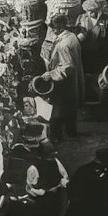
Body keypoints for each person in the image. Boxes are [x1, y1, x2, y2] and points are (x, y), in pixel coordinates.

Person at [42, 13, 84, 141]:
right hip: (74, 78)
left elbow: (67, 66)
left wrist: (50, 74)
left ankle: (56, 136)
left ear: (59, 28)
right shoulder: (72, 36)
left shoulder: (63, 45)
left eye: (53, 29)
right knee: (71, 107)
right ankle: (71, 132)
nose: (52, 31)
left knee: (57, 109)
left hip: (65, 81)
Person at [75, 0, 108, 102]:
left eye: (92, 11)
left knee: (101, 79)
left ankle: (102, 101)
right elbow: (76, 35)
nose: (89, 14)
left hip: (101, 57)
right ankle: (87, 100)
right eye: (87, 11)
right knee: (86, 78)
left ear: (98, 10)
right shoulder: (81, 18)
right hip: (85, 56)